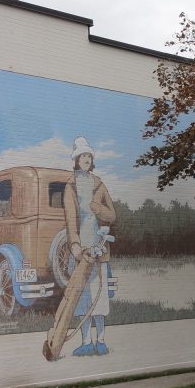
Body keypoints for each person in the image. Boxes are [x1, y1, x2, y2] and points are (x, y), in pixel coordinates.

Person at [63, 136, 116, 356]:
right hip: (81, 251)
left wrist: (99, 209)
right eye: (82, 156)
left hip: (99, 248)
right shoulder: (71, 186)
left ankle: (101, 341)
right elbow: (70, 219)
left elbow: (112, 215)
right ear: (76, 160)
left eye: (88, 156)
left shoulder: (99, 184)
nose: (86, 159)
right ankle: (86, 342)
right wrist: (74, 244)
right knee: (82, 297)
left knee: (99, 296)